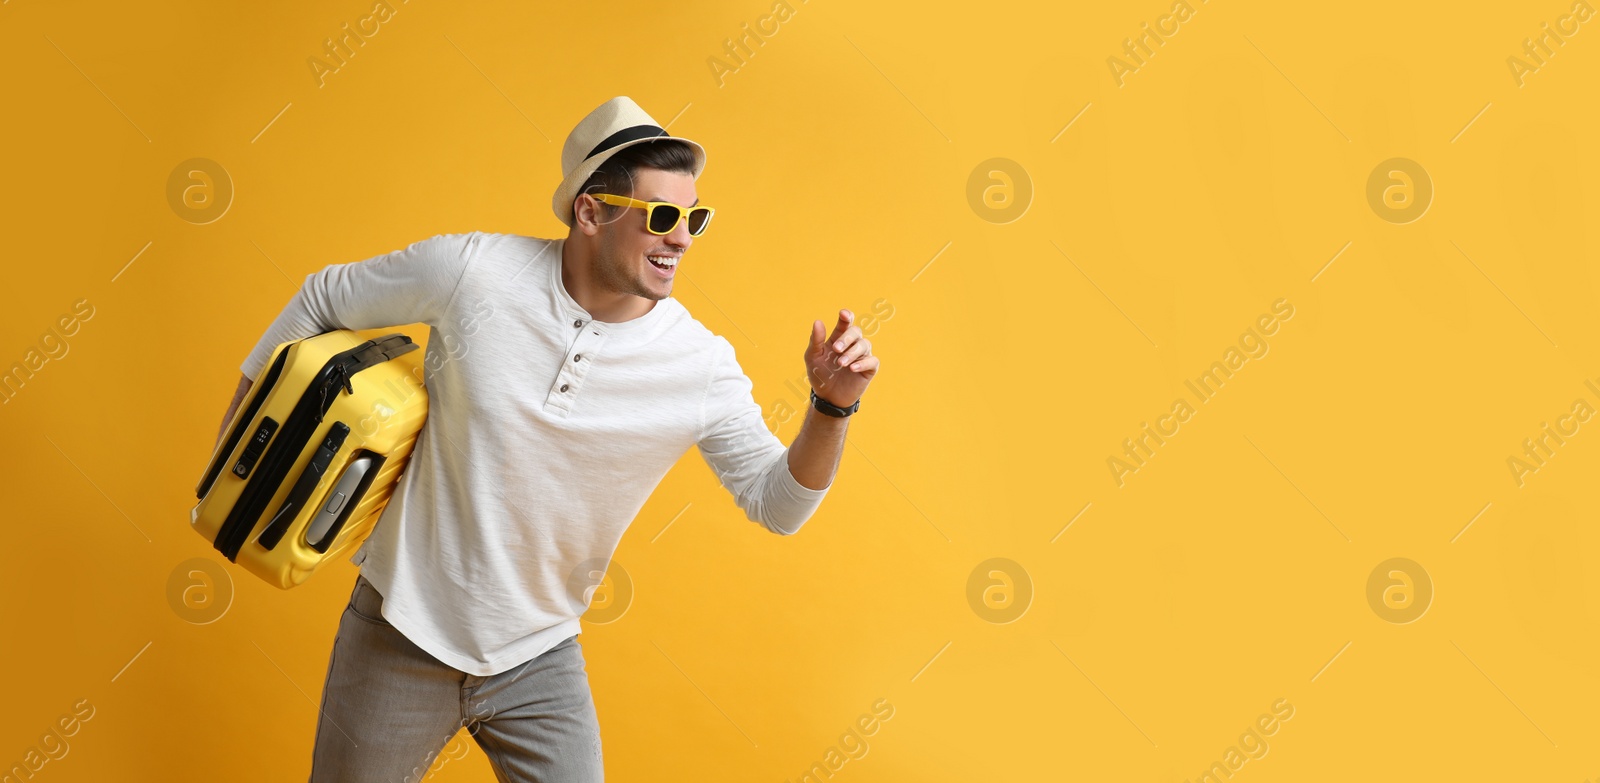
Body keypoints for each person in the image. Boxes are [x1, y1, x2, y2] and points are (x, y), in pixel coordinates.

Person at [217, 96, 879, 782]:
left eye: (694, 218)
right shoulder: (474, 274)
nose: (681, 237)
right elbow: (322, 297)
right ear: (590, 212)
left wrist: (831, 409)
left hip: (538, 652)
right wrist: (237, 459)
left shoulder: (698, 363)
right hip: (400, 624)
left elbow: (779, 505)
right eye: (661, 215)